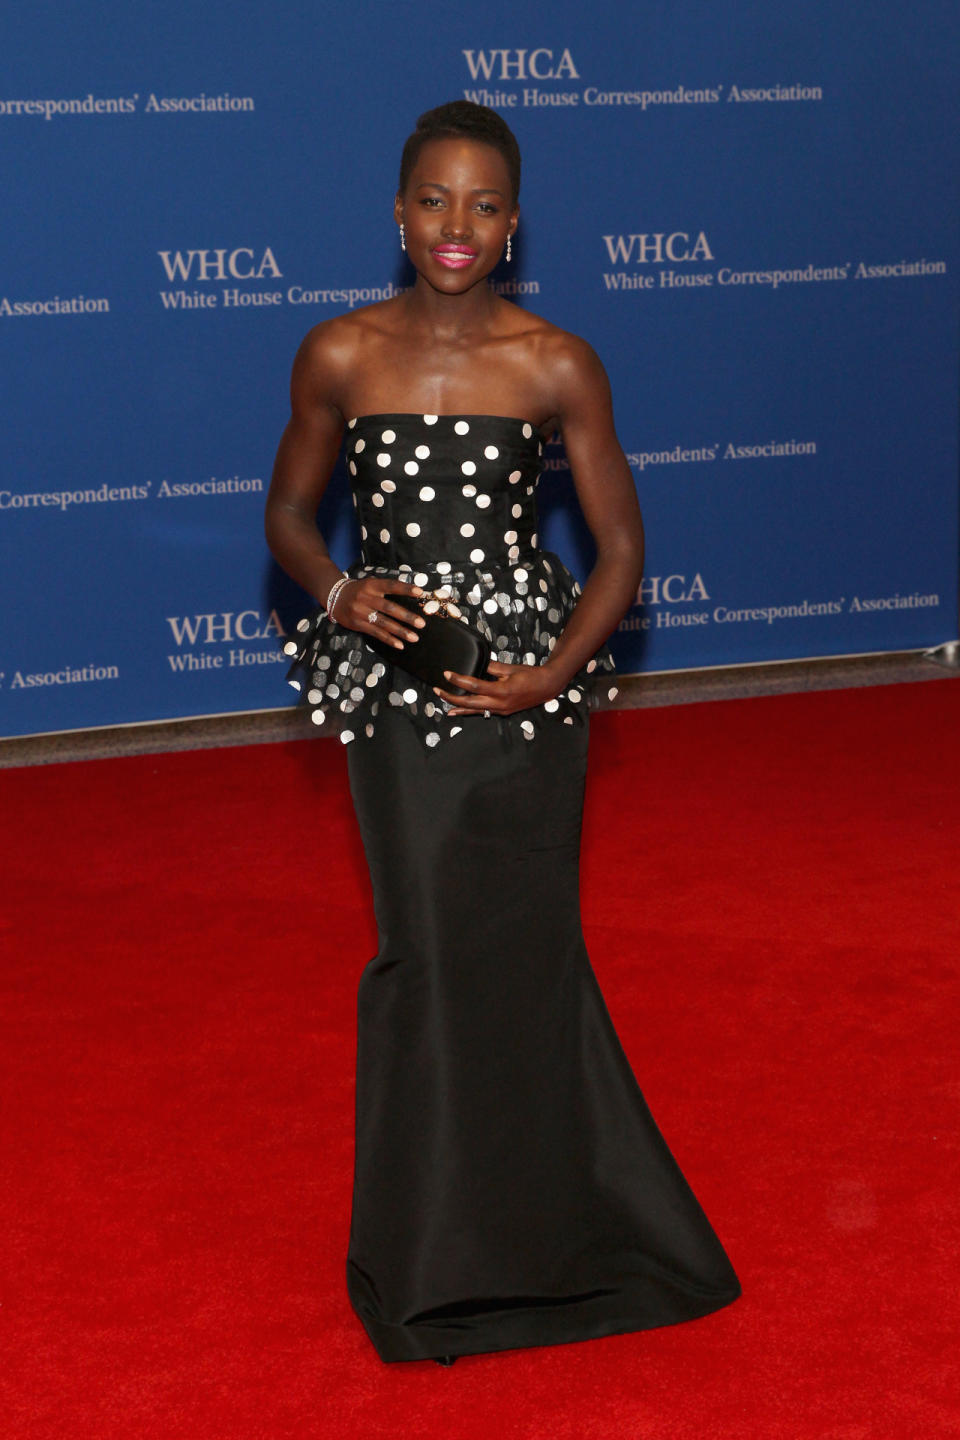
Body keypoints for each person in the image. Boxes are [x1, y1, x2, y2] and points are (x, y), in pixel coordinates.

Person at [265, 100, 741, 1365]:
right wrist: (337, 591)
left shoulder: (556, 360)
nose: (457, 227)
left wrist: (555, 677)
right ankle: (431, 1260)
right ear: (399, 211)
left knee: (523, 952)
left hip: (525, 696)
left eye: (483, 205)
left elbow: (622, 548)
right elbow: (288, 512)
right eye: (434, 200)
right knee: (422, 952)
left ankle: (559, 1235)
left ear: (515, 222)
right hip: (394, 691)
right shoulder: (338, 354)